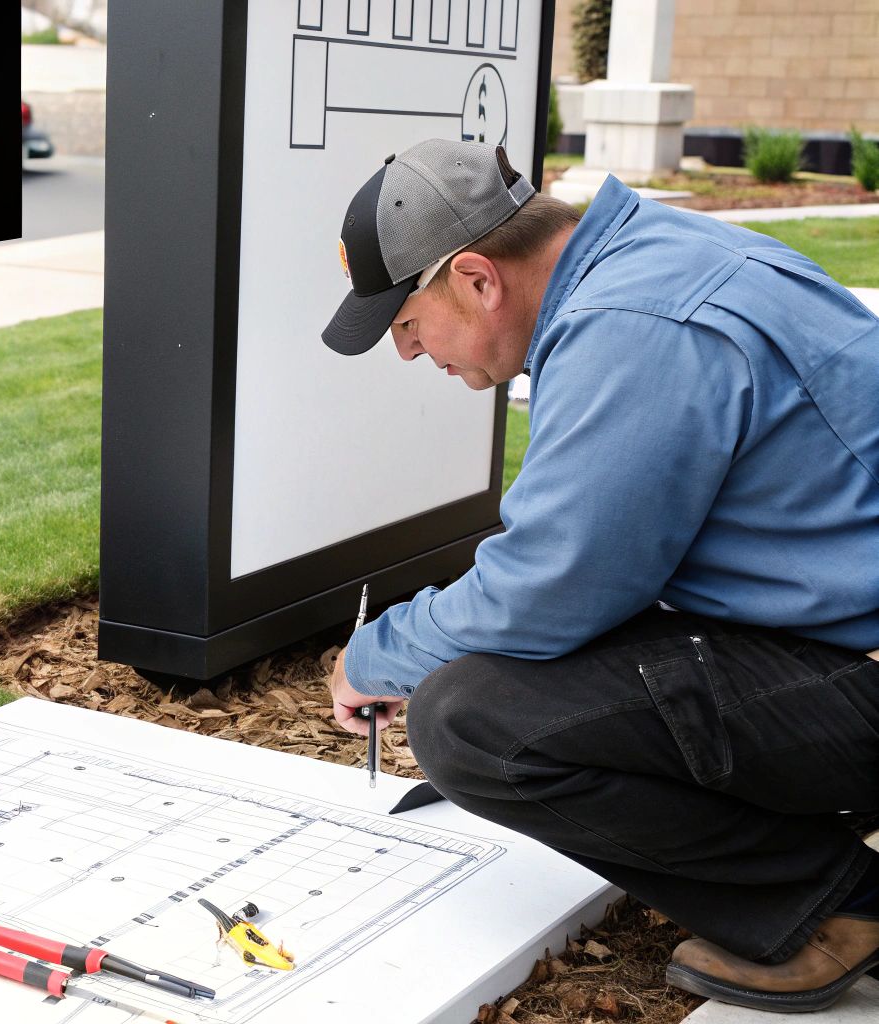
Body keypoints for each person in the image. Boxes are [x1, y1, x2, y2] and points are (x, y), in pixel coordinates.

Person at [319, 138, 879, 1013]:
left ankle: (841, 909)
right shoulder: (654, 256)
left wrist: (378, 654)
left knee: (470, 719)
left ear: (476, 277)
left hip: (861, 669)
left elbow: (546, 589)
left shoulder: (635, 327)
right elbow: (595, 566)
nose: (410, 353)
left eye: (406, 324)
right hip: (840, 627)